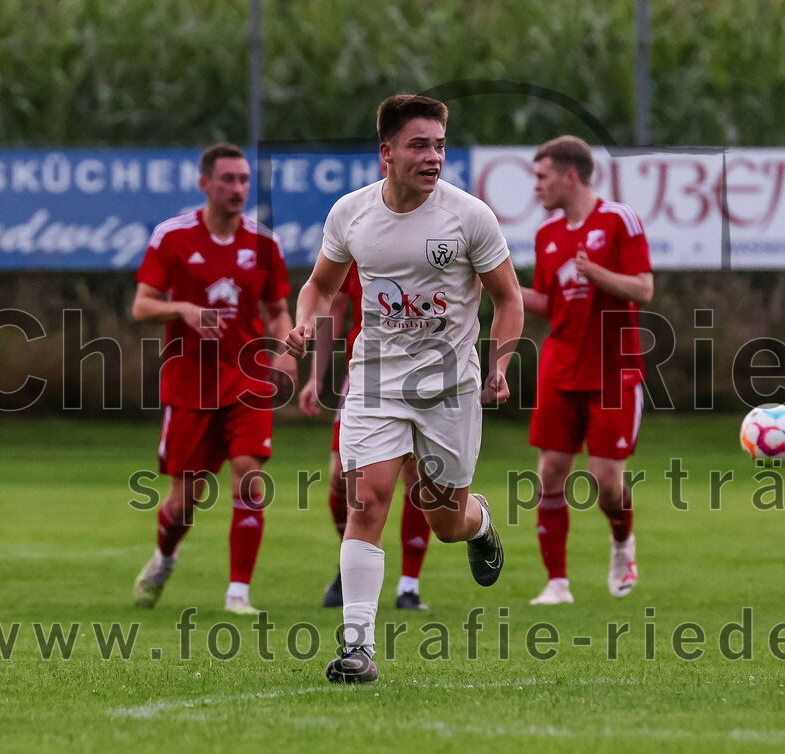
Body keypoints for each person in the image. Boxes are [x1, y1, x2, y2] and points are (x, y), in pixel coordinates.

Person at [285, 94, 524, 683]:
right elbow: (319, 286)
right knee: (366, 502)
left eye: (440, 145)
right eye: (420, 145)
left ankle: (480, 521)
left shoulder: (469, 217)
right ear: (386, 153)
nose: (433, 157)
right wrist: (302, 322)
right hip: (375, 379)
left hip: (449, 386)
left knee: (443, 521)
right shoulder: (352, 214)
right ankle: (358, 649)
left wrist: (500, 362)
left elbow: (508, 298)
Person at [131, 143, 297, 614]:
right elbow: (142, 305)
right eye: (227, 179)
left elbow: (278, 310)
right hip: (189, 386)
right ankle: (164, 556)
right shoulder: (172, 237)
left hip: (247, 381)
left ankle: (238, 593)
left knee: (249, 474)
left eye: (244, 180)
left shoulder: (264, 244)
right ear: (205, 183)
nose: (237, 188)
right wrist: (182, 308)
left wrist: (284, 350)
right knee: (185, 502)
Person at [518, 136, 653, 606]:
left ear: (569, 175)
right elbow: (549, 305)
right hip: (560, 367)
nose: (536, 187)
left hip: (614, 370)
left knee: (606, 483)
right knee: (550, 471)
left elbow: (643, 289)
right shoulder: (547, 235)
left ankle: (622, 544)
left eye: (542, 176)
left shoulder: (619, 220)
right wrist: (495, 287)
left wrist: (596, 273)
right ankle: (557, 582)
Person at [299, 260, 433, 611]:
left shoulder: (434, 232)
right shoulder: (359, 229)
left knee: (417, 476)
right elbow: (332, 306)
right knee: (342, 478)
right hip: (367, 376)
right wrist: (317, 376)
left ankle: (409, 585)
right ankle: (352, 561)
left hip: (422, 375)